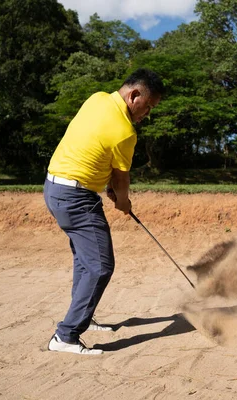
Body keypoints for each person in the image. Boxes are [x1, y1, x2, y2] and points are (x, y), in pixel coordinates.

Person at [43, 68, 164, 355]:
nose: (147, 113)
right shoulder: (125, 132)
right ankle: (66, 336)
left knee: (86, 262)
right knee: (100, 266)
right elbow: (121, 180)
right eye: (148, 106)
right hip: (76, 198)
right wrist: (123, 201)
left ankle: (82, 317)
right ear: (134, 95)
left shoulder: (97, 98)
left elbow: (94, 147)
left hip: (54, 188)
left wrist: (106, 185)